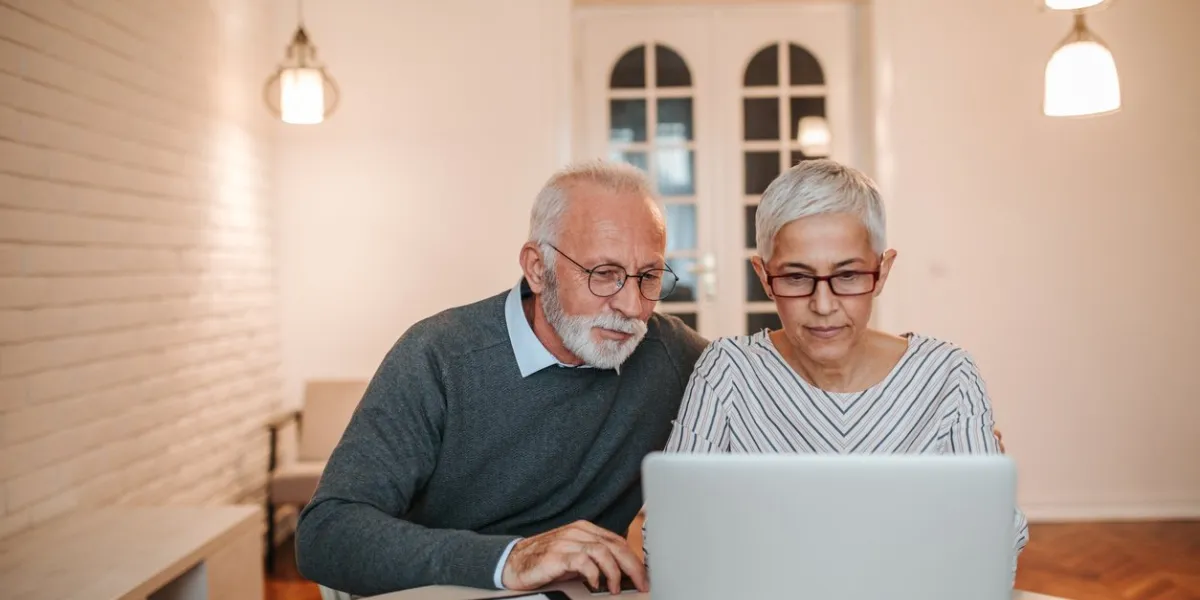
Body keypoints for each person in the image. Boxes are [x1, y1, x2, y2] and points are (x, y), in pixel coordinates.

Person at [294, 160, 708, 597]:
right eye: (603, 274)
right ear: (536, 267)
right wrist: (511, 558)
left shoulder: (670, 354)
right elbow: (326, 533)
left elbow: (761, 375)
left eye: (648, 277)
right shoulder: (439, 356)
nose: (630, 304)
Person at [641, 159, 1029, 579]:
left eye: (847, 275)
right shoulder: (726, 371)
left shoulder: (948, 376)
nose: (823, 306)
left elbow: (994, 550)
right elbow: (667, 536)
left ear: (882, 271)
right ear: (764, 276)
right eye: (796, 277)